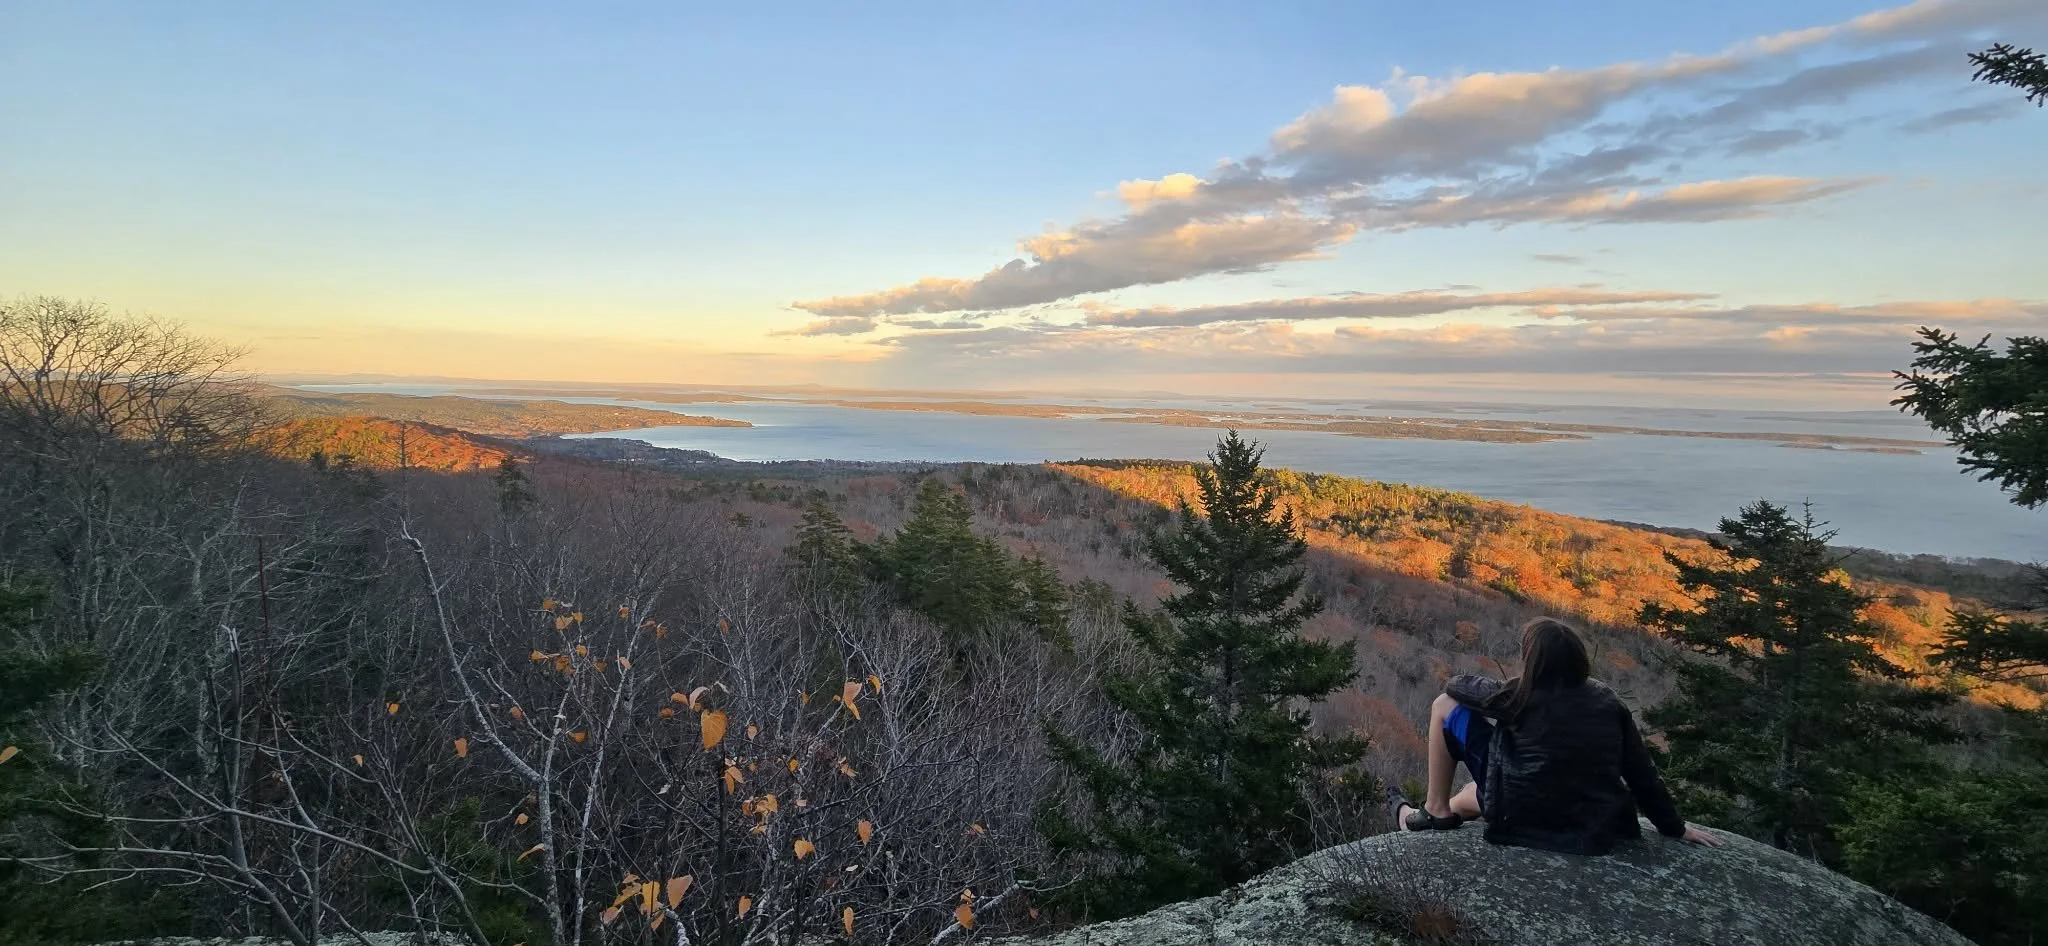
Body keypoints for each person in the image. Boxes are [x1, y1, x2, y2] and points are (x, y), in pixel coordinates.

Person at [1386, 617, 1725, 854]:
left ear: (1533, 661)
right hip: (1590, 824)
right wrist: (1674, 828)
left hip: (1520, 817)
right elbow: (1642, 773)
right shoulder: (1607, 700)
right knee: (1473, 793)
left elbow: (1455, 685)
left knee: (1444, 705)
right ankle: (1441, 812)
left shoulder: (1516, 695)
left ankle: (1433, 811)